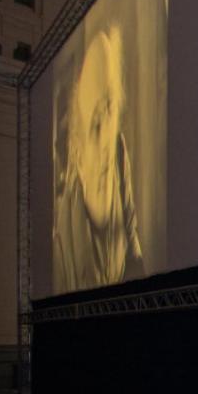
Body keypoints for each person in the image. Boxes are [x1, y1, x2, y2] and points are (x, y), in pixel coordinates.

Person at [53, 27, 144, 293]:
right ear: (78, 154)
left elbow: (133, 245)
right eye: (95, 123)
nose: (105, 135)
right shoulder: (63, 246)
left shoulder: (117, 151)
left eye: (110, 109)